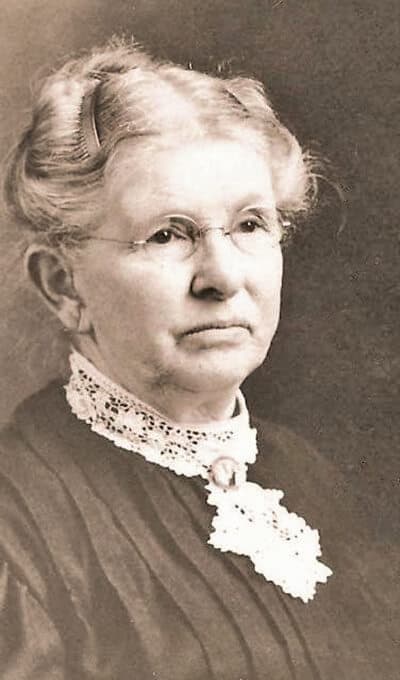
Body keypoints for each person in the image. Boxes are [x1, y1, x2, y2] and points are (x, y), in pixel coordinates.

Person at [0, 40, 398, 680]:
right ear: (63, 285)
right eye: (167, 234)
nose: (222, 277)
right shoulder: (18, 525)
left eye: (250, 225)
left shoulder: (316, 480)